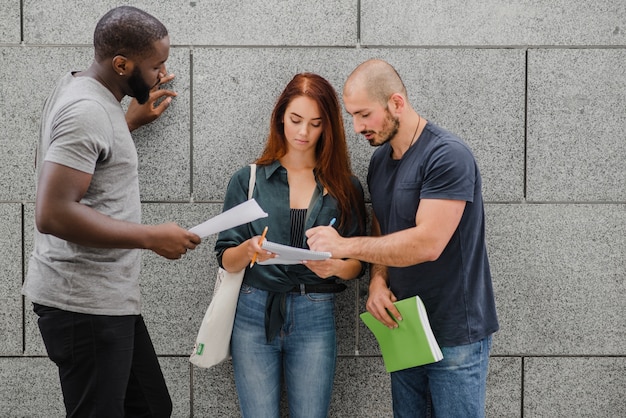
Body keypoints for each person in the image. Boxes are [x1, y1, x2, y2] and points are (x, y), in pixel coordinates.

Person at [22, 6, 201, 417]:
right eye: (156, 65)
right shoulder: (87, 111)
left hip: (105, 302)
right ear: (122, 64)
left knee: (152, 408)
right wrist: (151, 237)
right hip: (82, 304)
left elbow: (84, 164)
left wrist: (125, 124)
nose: (162, 73)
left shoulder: (89, 95)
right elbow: (53, 213)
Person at [306, 59, 499, 417]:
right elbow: (384, 228)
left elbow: (427, 243)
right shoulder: (380, 161)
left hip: (456, 332)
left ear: (396, 103)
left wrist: (344, 245)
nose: (357, 126)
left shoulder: (446, 155)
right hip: (405, 326)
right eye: (351, 116)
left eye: (364, 114)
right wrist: (378, 282)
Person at [215, 72, 366, 418]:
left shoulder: (345, 187)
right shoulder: (248, 179)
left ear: (328, 127)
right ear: (280, 115)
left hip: (316, 311)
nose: (303, 133)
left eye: (315, 124)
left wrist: (335, 266)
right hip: (254, 310)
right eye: (296, 120)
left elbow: (357, 262)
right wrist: (249, 248)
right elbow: (225, 257)